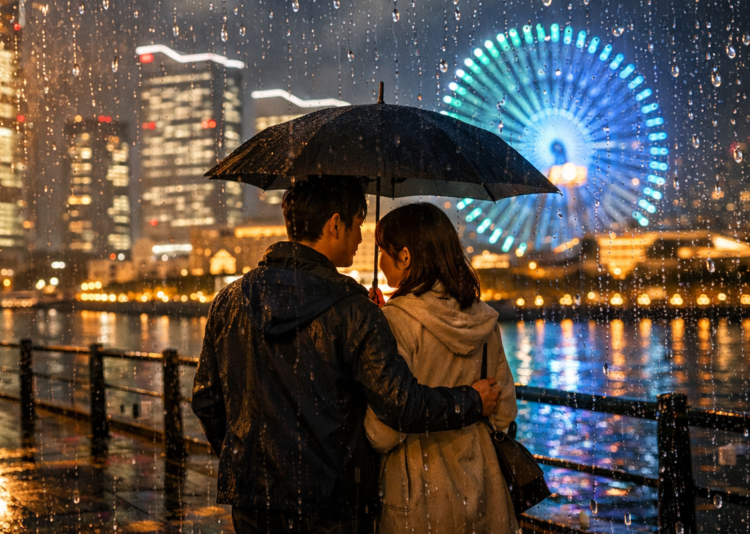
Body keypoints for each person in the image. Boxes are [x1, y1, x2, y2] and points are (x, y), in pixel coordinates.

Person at [192, 177, 502, 534]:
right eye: (357, 225)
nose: (360, 239)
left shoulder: (230, 300)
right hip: (334, 503)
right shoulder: (352, 309)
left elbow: (207, 400)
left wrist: (247, 461)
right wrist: (471, 401)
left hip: (253, 503)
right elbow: (399, 404)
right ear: (335, 225)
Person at [364, 203, 519, 534]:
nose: (379, 260)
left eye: (382, 251)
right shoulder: (484, 319)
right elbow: (504, 414)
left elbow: (383, 433)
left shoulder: (395, 322)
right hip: (483, 487)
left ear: (405, 257)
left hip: (417, 496)